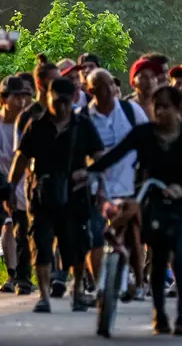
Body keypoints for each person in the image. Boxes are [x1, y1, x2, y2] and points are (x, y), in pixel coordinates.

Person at [83, 85, 182, 336]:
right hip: (153, 201)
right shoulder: (143, 134)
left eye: (166, 107)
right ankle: (159, 314)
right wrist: (87, 171)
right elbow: (115, 155)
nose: (160, 112)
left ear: (178, 109)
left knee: (181, 257)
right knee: (159, 258)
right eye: (156, 106)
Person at [6, 77, 104, 313]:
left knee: (77, 245)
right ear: (47, 97)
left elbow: (99, 157)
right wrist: (10, 189)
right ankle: (44, 296)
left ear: (73, 100)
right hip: (43, 193)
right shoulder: (36, 125)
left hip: (76, 194)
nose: (61, 107)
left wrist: (91, 178)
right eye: (56, 101)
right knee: (40, 245)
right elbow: (21, 158)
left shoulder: (83, 125)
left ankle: (79, 289)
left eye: (66, 102)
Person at [82, 67, 149, 301]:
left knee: (133, 236)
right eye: (101, 86)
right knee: (96, 235)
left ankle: (139, 282)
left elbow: (147, 142)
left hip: (129, 185)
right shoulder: (83, 118)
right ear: (91, 91)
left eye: (111, 84)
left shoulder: (131, 112)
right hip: (95, 188)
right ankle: (103, 286)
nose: (109, 89)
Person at [0, 75, 33, 295]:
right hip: (0, 179)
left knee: (20, 229)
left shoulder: (27, 122)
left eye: (24, 97)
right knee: (7, 224)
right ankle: (14, 274)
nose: (21, 102)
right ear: (3, 99)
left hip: (22, 181)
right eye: (16, 97)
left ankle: (20, 277)